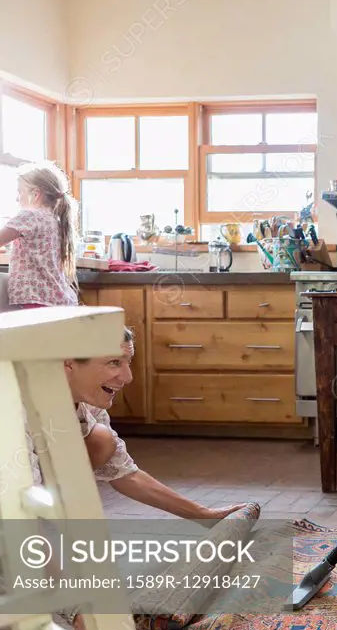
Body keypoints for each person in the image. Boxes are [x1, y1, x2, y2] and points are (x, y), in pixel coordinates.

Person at [28, 325, 248, 522]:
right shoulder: (17, 409)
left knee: (101, 440)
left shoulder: (89, 399)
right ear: (68, 363)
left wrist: (203, 514)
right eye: (114, 362)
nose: (128, 376)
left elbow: (125, 474)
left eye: (127, 362)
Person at [0, 161, 80, 309]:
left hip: (36, 300)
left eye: (19, 192)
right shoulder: (55, 220)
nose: (17, 198)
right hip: (58, 300)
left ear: (35, 194)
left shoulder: (29, 216)